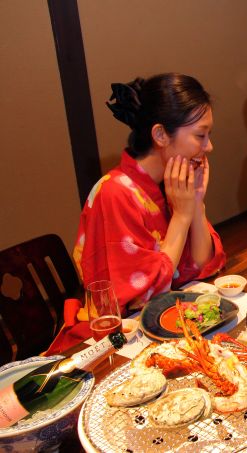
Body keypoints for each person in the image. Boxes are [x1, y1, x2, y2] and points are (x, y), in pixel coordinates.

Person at [73, 73, 226, 313]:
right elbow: (142, 296)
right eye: (200, 135)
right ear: (160, 135)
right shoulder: (114, 193)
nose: (209, 146)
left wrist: (196, 203)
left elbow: (204, 264)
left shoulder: (171, 183)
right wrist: (181, 216)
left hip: (173, 312)